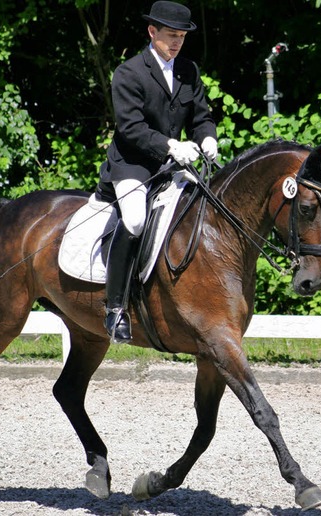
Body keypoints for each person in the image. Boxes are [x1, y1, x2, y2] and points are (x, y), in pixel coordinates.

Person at [95, 1, 218, 343]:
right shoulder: (129, 72)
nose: (177, 43)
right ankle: (115, 308)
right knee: (134, 220)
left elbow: (201, 116)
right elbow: (131, 128)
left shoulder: (188, 72)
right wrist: (171, 146)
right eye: (171, 36)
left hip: (172, 164)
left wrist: (207, 138)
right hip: (133, 164)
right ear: (153, 32)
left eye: (181, 37)